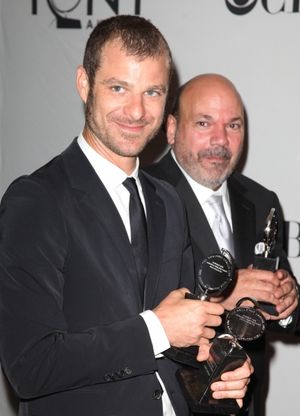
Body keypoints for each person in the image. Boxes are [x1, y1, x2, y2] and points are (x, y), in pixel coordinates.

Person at [0, 18, 252, 416]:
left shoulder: (168, 201)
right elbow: (29, 366)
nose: (136, 110)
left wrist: (219, 365)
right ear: (84, 84)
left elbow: (183, 335)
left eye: (152, 92)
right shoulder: (37, 200)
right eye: (119, 88)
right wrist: (155, 328)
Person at [146, 73, 299, 416]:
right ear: (171, 129)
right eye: (204, 123)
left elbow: (284, 300)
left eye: (234, 125)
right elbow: (128, 309)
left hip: (244, 405)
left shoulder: (261, 200)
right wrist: (220, 295)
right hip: (170, 402)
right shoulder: (143, 195)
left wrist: (288, 302)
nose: (220, 140)